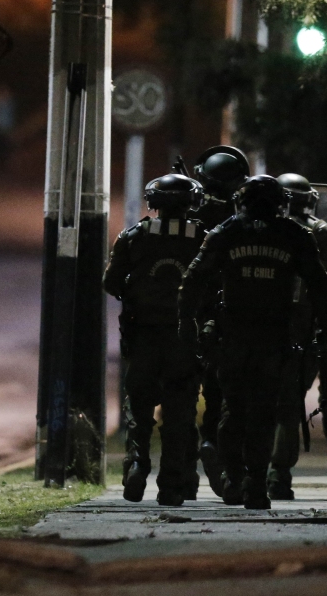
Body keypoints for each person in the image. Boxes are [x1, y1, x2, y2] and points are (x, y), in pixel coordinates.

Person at [178, 176, 327, 510]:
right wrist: (325, 332)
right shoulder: (295, 235)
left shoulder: (226, 233)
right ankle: (257, 485)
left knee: (233, 410)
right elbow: (320, 288)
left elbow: (193, 279)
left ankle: (235, 478)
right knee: (264, 412)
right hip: (273, 338)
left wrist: (188, 323)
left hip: (234, 336)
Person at [104, 174, 207, 506]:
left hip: (144, 335)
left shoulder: (134, 237)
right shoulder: (204, 239)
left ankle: (136, 462)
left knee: (139, 407)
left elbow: (111, 281)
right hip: (184, 338)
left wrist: (137, 295)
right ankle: (171, 486)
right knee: (179, 413)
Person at [267, 174, 327, 500]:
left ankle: (273, 474)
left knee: (278, 403)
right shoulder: (321, 232)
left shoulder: (262, 228)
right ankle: (284, 473)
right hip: (311, 328)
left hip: (270, 328)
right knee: (319, 401)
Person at [186, 145, 250, 497]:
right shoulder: (245, 221)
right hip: (235, 317)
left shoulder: (191, 220)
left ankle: (183, 476)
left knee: (182, 395)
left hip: (194, 316)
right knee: (226, 395)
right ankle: (223, 459)